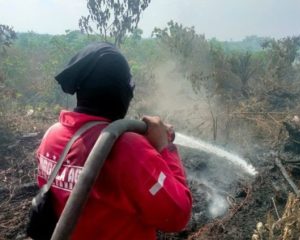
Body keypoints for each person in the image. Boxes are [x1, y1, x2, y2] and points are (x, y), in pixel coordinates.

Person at [36, 42, 192, 240]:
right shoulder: (129, 148)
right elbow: (178, 215)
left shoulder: (52, 136)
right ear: (122, 92)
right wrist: (164, 147)